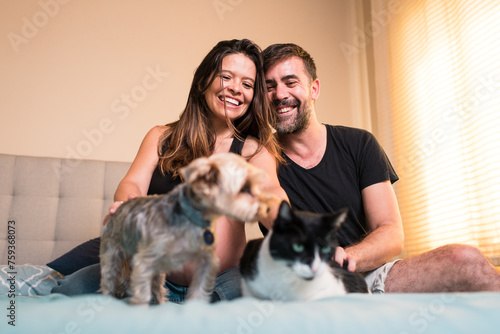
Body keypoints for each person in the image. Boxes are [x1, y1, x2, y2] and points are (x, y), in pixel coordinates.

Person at [51, 39, 288, 302]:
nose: (235, 89)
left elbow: (270, 193)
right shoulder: (160, 137)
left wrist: (287, 225)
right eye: (226, 77)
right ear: (203, 81)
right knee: (68, 291)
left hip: (221, 282)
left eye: (247, 84)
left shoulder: (253, 150)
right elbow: (132, 184)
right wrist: (129, 206)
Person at [262, 42, 500, 293]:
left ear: (314, 89)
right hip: (307, 286)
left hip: (369, 275)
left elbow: (391, 233)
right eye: (269, 87)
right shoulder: (261, 160)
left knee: (466, 260)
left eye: (290, 82)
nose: (279, 94)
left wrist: (345, 257)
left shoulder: (359, 144)